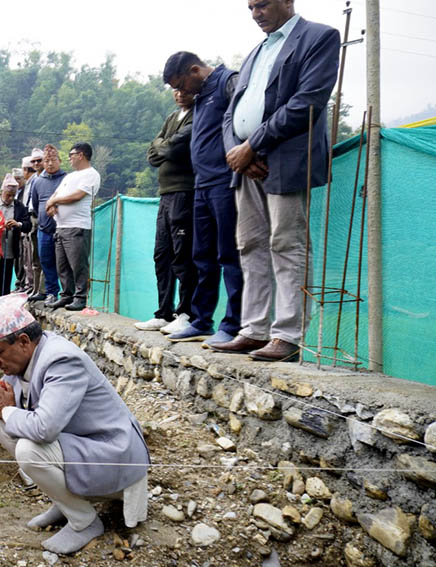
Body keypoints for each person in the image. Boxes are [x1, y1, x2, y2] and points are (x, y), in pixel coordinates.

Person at [0, 294, 150, 554]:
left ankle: (84, 522)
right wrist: (7, 410)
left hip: (115, 454)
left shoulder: (61, 360)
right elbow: (21, 417)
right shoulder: (24, 361)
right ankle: (67, 503)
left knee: (28, 449)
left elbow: (44, 429)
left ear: (23, 341)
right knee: (4, 427)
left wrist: (7, 409)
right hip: (84, 447)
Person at [215, 1, 340, 363]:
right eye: (250, 6)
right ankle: (254, 330)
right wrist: (237, 151)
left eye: (263, 4)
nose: (256, 13)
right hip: (246, 164)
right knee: (250, 244)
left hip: (286, 158)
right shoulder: (256, 50)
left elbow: (308, 101)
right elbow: (231, 110)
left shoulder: (318, 37)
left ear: (288, 1)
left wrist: (254, 144)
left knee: (287, 242)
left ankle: (288, 334)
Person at [162, 52, 243, 346]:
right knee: (202, 256)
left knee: (229, 254)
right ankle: (201, 320)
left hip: (225, 181)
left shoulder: (227, 81)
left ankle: (233, 325)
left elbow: (247, 119)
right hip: (201, 185)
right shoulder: (200, 97)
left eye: (182, 84)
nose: (181, 92)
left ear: (195, 70)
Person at [137, 88, 197, 332]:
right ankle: (163, 312)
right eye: (176, 90)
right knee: (162, 254)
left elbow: (172, 150)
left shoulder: (198, 115)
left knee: (183, 254)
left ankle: (186, 313)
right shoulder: (172, 118)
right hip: (165, 193)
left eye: (184, 88)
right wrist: (166, 146)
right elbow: (153, 153)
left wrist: (165, 146)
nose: (180, 94)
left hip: (185, 191)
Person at [44, 143, 100, 311]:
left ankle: (80, 297)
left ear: (81, 155)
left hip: (77, 226)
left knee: (78, 264)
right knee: (62, 265)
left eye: (71, 154)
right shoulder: (69, 177)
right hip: (61, 226)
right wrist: (50, 204)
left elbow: (78, 195)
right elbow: (55, 195)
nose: (69, 158)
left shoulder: (91, 174)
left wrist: (54, 202)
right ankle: (67, 295)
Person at [27, 145, 66, 305]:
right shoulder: (37, 181)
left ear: (60, 161)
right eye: (47, 161)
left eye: (53, 160)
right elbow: (35, 205)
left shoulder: (66, 179)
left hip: (62, 227)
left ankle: (66, 293)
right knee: (46, 260)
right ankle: (51, 292)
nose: (50, 164)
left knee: (63, 262)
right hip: (43, 228)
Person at [0, 173, 31, 297]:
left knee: (5, 279)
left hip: (9, 249)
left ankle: (3, 304)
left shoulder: (18, 206)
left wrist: (18, 224)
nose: (10, 198)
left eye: (13, 195)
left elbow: (28, 225)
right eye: (8, 195)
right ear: (2, 192)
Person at [18, 150, 44, 295]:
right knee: (28, 256)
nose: (36, 164)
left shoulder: (36, 180)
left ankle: (37, 288)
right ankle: (31, 287)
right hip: (30, 218)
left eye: (38, 161)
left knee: (37, 256)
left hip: (38, 218)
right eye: (33, 162)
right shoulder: (30, 182)